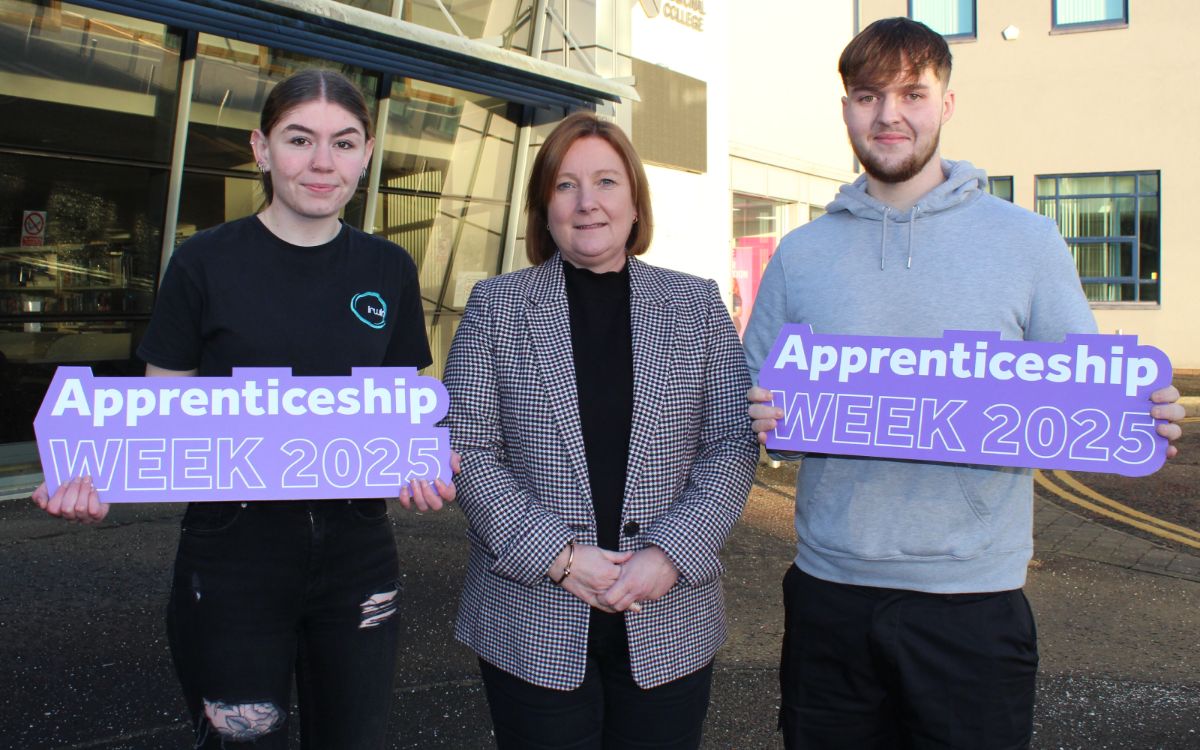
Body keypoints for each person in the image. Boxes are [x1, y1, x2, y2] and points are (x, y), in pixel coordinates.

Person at [743, 18, 1188, 750]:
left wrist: (1141, 413)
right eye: (866, 95)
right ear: (846, 107)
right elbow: (748, 394)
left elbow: (1083, 395)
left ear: (946, 104)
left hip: (972, 603)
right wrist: (759, 412)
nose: (889, 115)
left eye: (912, 93)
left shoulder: (1027, 242)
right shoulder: (802, 254)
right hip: (831, 594)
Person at [32, 68, 455, 748]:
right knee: (242, 741)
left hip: (357, 554)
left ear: (367, 155)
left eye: (344, 143)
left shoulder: (388, 270)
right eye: (299, 139)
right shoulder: (203, 263)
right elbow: (155, 417)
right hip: (233, 554)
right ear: (261, 150)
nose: (323, 162)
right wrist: (96, 475)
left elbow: (400, 414)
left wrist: (424, 461)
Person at [442, 111, 758, 749]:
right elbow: (469, 446)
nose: (587, 203)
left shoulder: (695, 306)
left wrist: (670, 553)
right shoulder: (495, 305)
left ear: (636, 203)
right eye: (565, 185)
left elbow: (731, 439)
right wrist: (558, 559)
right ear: (544, 207)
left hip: (668, 610)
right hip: (530, 615)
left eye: (607, 182)